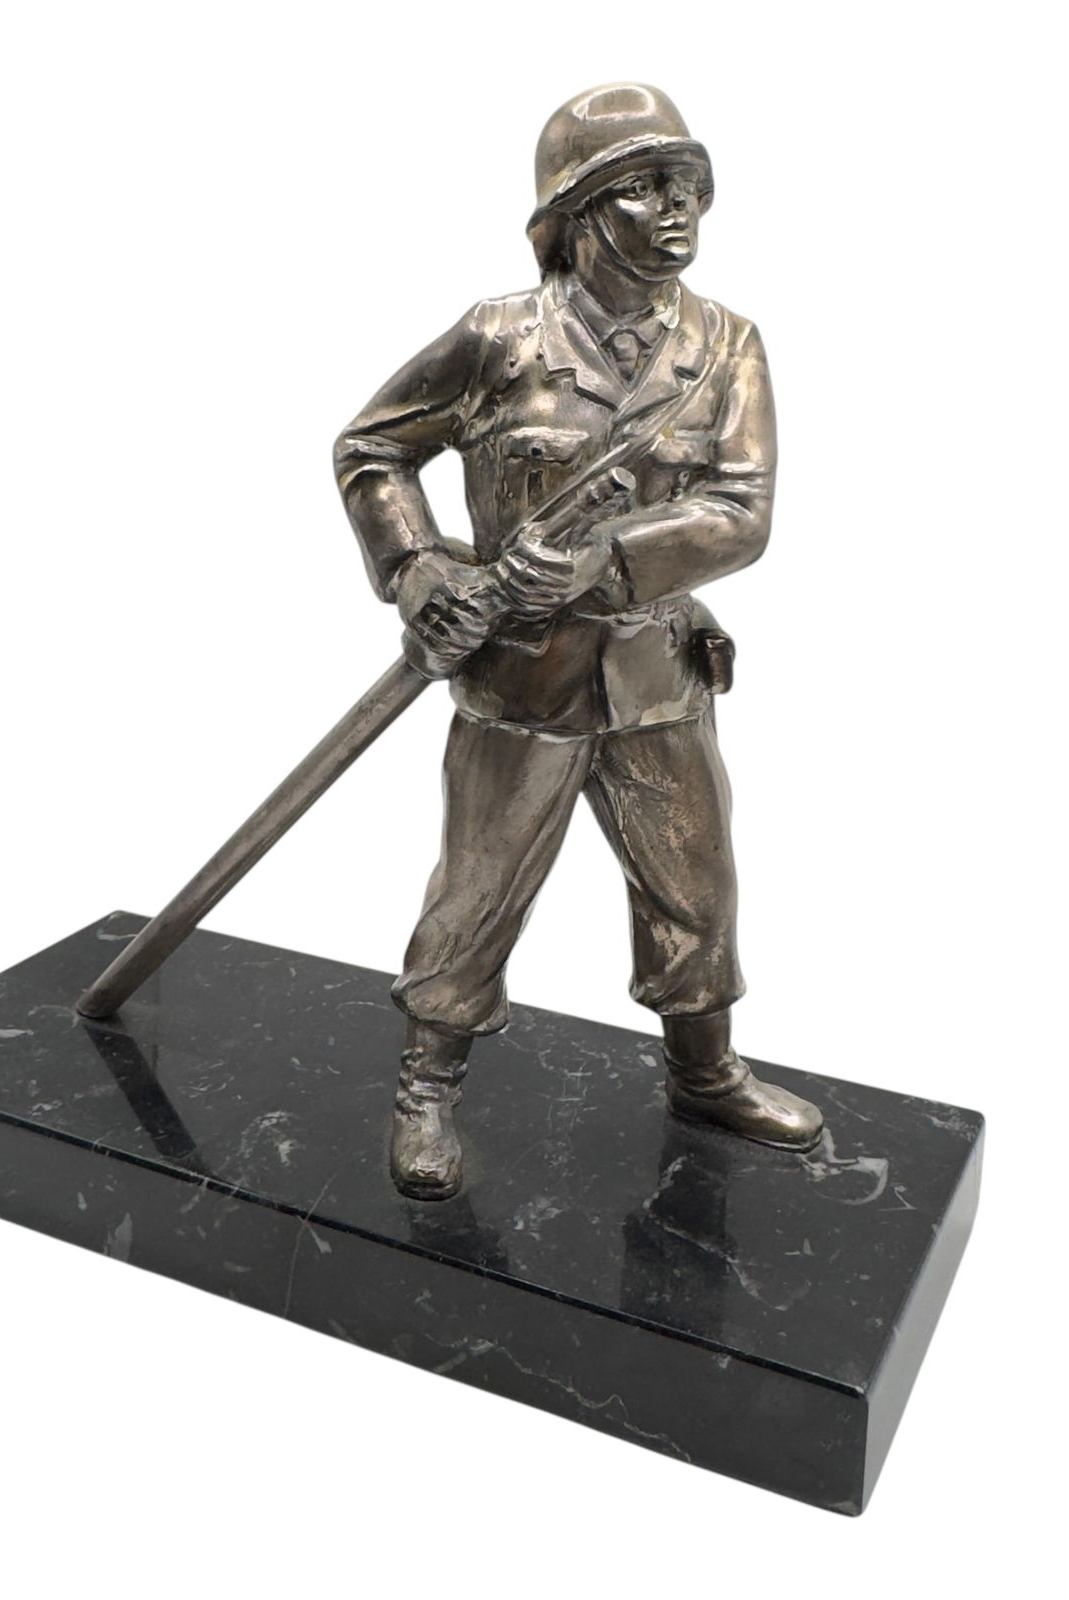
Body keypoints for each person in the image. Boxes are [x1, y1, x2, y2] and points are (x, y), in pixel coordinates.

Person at [335, 84, 823, 1200]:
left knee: (696, 884)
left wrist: (605, 561)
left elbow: (742, 511)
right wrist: (419, 570)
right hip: (521, 680)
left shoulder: (726, 347)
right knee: (477, 890)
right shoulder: (498, 337)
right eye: (646, 186)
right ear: (578, 211)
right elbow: (370, 449)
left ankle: (705, 1073)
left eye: (689, 185)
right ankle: (425, 1085)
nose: (678, 207)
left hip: (656, 676)